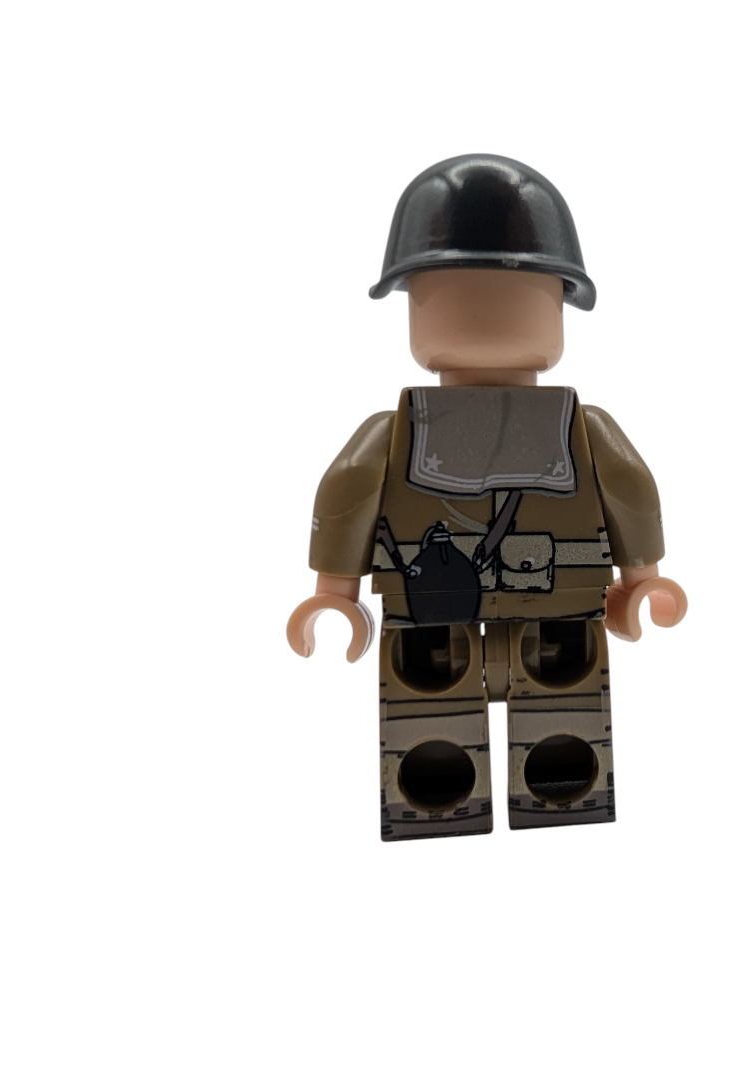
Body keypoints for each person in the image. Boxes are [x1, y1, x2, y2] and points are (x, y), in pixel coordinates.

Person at [287, 154, 686, 840]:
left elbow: (627, 485)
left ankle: (552, 791)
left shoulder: (581, 428)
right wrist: (336, 595)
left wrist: (641, 582)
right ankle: (441, 797)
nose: (485, 311)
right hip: (433, 610)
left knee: (562, 721)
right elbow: (349, 489)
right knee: (430, 728)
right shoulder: (398, 432)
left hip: (556, 606)